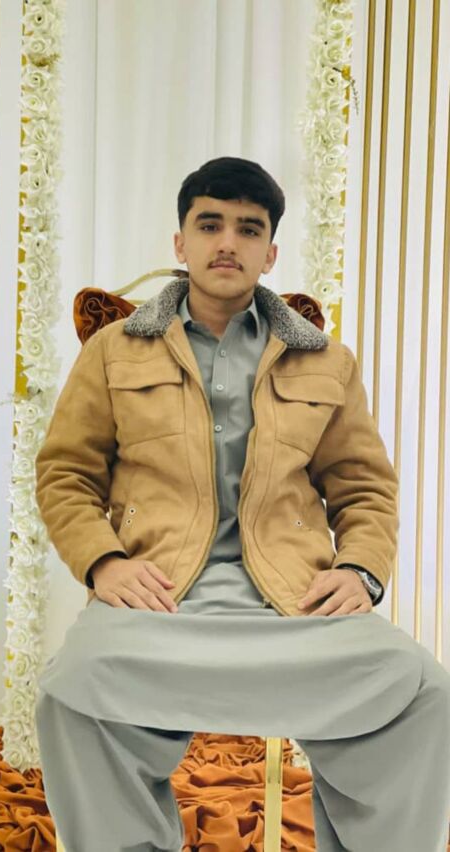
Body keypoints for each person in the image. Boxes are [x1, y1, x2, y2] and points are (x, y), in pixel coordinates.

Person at [33, 156, 450, 851]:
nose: (228, 242)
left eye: (249, 229)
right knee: (69, 692)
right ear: (181, 242)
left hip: (295, 602)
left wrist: (360, 571)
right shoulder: (112, 352)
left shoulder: (327, 361)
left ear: (270, 252)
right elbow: (66, 473)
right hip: (160, 598)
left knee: (422, 693)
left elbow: (365, 487)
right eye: (210, 224)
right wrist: (104, 563)